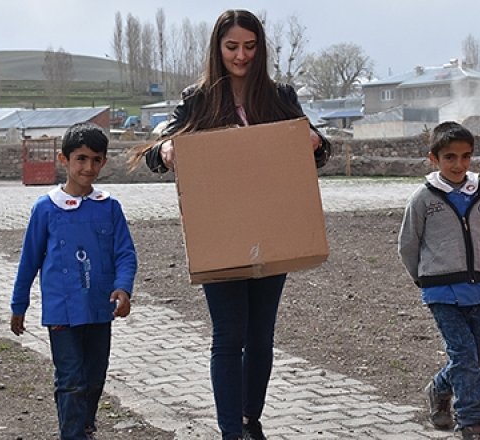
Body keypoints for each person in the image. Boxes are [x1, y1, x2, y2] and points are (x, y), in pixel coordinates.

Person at [129, 9, 331, 440]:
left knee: (260, 335)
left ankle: (249, 421)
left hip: (272, 232)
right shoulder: (198, 100)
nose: (241, 56)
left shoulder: (280, 98)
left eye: (250, 46)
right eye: (232, 47)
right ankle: (229, 432)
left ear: (260, 49)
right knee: (228, 334)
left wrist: (315, 142)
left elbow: (318, 149)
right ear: (217, 49)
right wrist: (165, 149)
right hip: (219, 235)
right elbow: (159, 146)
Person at [10, 122, 137, 440]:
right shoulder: (45, 209)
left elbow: (125, 254)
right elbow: (29, 261)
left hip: (99, 310)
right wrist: (18, 305)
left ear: (104, 162)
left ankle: (85, 424)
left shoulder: (109, 208)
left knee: (94, 378)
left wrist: (122, 288)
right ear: (63, 159)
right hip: (62, 312)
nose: (88, 167)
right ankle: (72, 433)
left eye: (96, 159)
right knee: (70, 379)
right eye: (81, 158)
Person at [397, 121, 480, 440]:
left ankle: (439, 388)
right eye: (450, 157)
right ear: (434, 159)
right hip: (440, 291)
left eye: (465, 157)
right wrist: (423, 279)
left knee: (471, 356)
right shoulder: (423, 198)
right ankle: (472, 423)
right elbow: (408, 244)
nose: (459, 164)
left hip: (478, 289)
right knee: (465, 356)